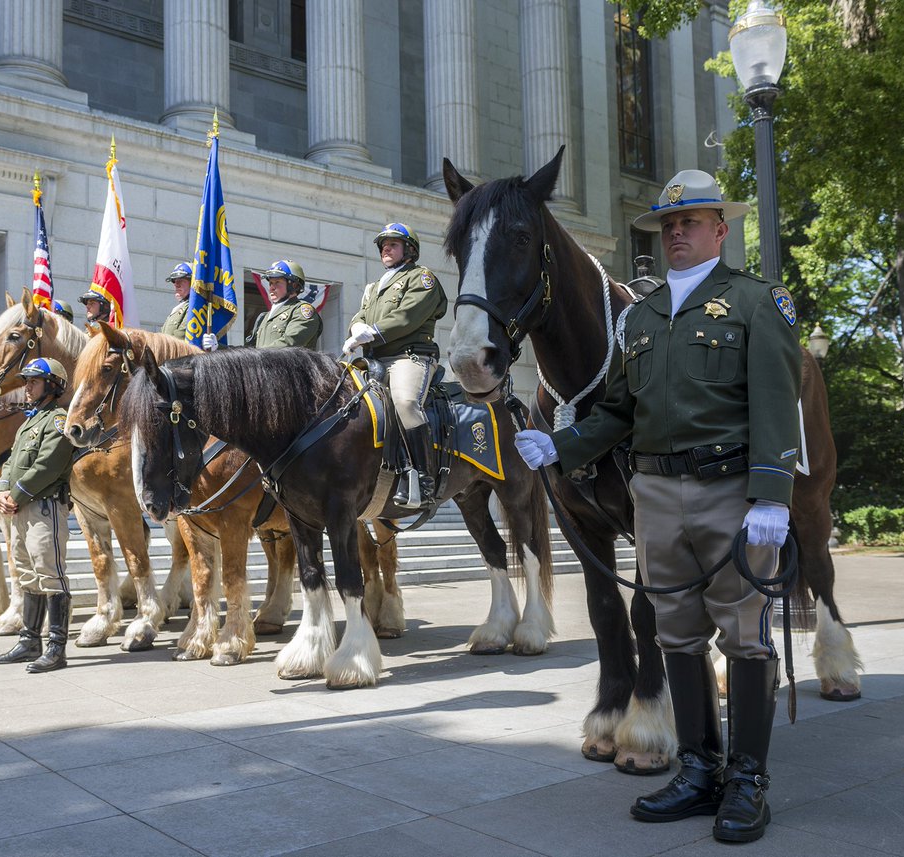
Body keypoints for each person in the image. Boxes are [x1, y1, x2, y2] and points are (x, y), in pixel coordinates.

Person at [514, 170, 801, 844]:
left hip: (730, 490)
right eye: (668, 224)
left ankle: (747, 781)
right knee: (676, 632)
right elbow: (618, 411)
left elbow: (775, 401)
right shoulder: (638, 320)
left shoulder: (757, 301)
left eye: (690, 221)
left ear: (719, 230)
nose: (676, 232)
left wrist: (772, 495)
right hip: (657, 495)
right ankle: (699, 769)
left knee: (744, 634)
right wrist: (559, 445)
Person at [343, 223, 447, 509]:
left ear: (409, 250)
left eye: (393, 244)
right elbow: (360, 316)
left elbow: (407, 316)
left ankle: (423, 478)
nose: (386, 249)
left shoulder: (421, 277)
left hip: (407, 357)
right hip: (374, 360)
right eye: (383, 245)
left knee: (405, 402)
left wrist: (373, 331)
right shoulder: (374, 287)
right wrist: (358, 327)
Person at [0, 357, 76, 673]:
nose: (27, 387)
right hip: (21, 509)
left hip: (44, 507)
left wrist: (14, 495)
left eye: (34, 381)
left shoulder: (58, 420)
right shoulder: (29, 422)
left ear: (52, 386)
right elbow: (11, 463)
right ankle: (29, 642)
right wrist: (1, 491)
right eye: (26, 381)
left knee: (50, 575)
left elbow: (48, 465)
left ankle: (56, 649)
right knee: (27, 574)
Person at [246, 260, 322, 350]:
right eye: (271, 283)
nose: (271, 288)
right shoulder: (264, 317)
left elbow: (290, 343)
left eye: (277, 282)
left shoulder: (301, 311)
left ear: (294, 285)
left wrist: (258, 356)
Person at [161, 261, 218, 352]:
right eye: (174, 281)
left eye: (181, 280)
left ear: (193, 283)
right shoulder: (177, 309)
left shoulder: (199, 308)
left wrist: (212, 346)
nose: (176, 284)